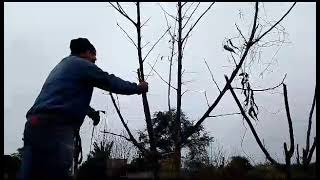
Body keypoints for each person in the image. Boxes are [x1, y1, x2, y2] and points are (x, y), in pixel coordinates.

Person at [16, 38, 148, 180]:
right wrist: (137, 88)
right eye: (94, 55)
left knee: (30, 174)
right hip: (56, 126)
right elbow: (108, 80)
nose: (95, 60)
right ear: (86, 52)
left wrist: (90, 112)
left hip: (35, 124)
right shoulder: (81, 65)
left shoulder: (63, 66)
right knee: (58, 173)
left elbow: (65, 97)